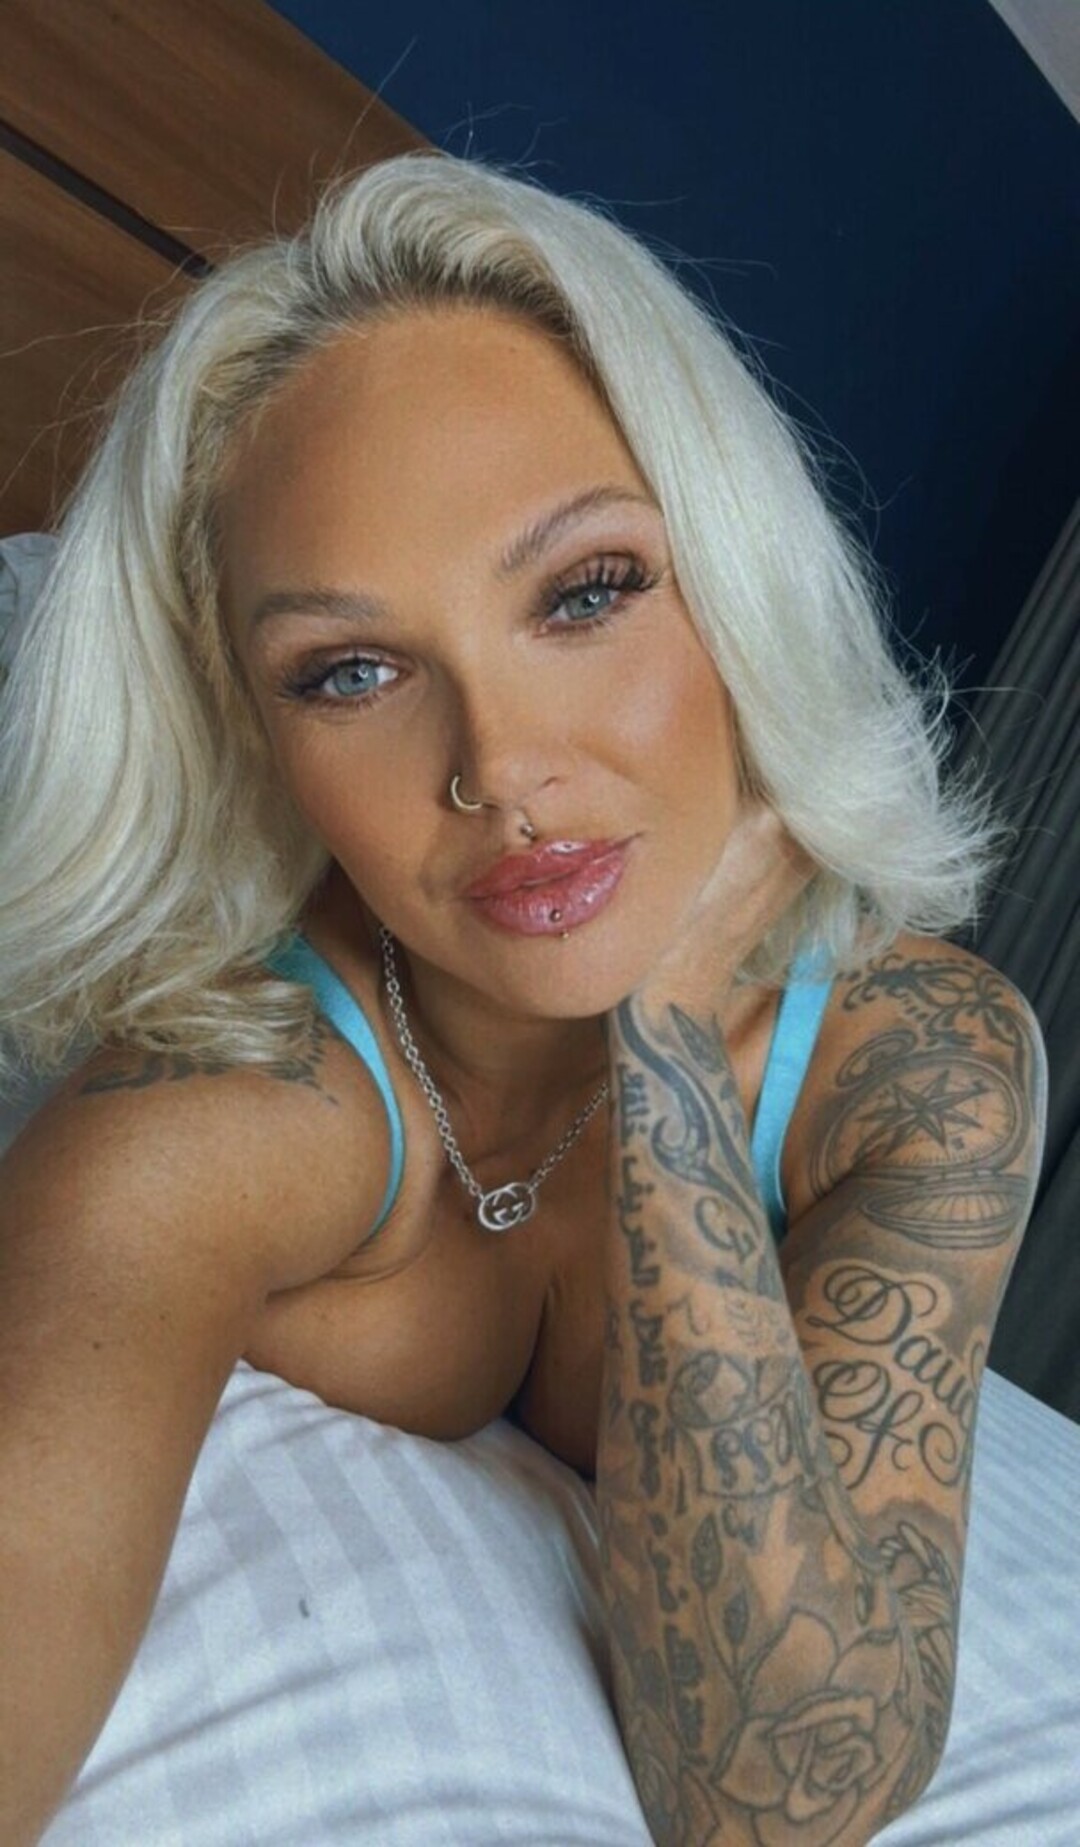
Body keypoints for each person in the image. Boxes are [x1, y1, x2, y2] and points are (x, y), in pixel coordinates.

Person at [0, 150, 1045, 1846]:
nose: (500, 769)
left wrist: (671, 1060)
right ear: (256, 729)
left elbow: (775, 1800)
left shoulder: (916, 1067)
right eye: (351, 671)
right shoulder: (224, 1097)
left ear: (737, 572)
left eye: (586, 592)